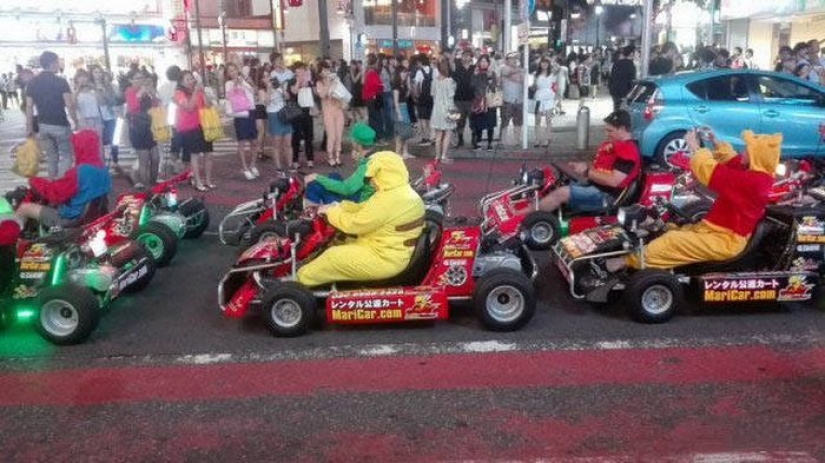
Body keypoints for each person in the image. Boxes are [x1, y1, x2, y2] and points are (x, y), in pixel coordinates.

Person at [606, 129, 781, 272]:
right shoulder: (751, 171)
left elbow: (711, 173)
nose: (743, 152)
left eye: (747, 150)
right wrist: (714, 140)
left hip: (726, 240)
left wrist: (695, 147)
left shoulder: (756, 182)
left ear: (757, 156)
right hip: (713, 230)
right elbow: (731, 159)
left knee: (673, 241)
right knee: (666, 228)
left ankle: (627, 261)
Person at [296, 151, 425, 287]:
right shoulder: (400, 192)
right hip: (387, 249)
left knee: (332, 257)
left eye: (373, 177)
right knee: (341, 240)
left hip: (384, 257)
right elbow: (364, 208)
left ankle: (297, 282)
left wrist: (330, 211)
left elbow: (353, 224)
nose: (371, 182)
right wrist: (339, 206)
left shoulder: (388, 200)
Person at [536, 110, 640, 213]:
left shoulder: (627, 151)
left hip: (605, 196)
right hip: (595, 188)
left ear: (622, 129)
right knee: (555, 184)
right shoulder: (617, 146)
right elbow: (602, 169)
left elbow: (614, 181)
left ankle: (528, 216)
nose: (606, 134)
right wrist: (585, 167)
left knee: (561, 193)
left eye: (610, 131)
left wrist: (587, 172)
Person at [13, 130, 111, 230]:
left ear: (80, 147)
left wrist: (35, 181)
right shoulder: (103, 169)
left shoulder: (78, 172)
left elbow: (55, 194)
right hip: (92, 216)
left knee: (24, 208)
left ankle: (12, 236)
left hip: (71, 219)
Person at [26, 51, 78, 179]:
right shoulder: (61, 82)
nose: (59, 64)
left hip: (43, 125)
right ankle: (59, 182)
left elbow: (29, 106)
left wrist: (29, 127)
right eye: (58, 62)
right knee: (66, 156)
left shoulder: (32, 83)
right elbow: (69, 104)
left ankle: (51, 184)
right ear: (52, 63)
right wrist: (76, 120)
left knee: (51, 157)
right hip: (60, 123)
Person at [303, 123, 377, 206]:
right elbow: (359, 181)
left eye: (352, 139)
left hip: (359, 203)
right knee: (334, 175)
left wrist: (316, 177)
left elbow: (347, 189)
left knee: (315, 185)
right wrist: (358, 160)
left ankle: (311, 211)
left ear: (357, 143)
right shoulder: (374, 156)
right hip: (361, 194)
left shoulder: (366, 165)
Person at [174, 70, 214, 191]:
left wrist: (203, 92)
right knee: (194, 155)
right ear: (181, 82)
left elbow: (208, 105)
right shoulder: (179, 93)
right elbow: (190, 107)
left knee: (209, 154)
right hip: (190, 127)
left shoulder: (197, 91)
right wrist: (196, 92)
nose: (191, 81)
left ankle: (208, 180)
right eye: (187, 79)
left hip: (204, 125)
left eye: (191, 78)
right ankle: (198, 182)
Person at [315, 61, 346, 167]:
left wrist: (336, 82)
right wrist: (329, 83)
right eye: (324, 70)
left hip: (338, 110)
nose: (327, 71)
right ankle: (330, 157)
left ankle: (338, 157)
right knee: (331, 135)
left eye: (328, 69)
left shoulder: (335, 80)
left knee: (339, 135)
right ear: (320, 72)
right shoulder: (319, 83)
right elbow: (322, 95)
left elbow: (342, 94)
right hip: (328, 112)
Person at [89, 65, 119, 170]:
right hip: (95, 116)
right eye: (95, 72)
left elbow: (113, 101)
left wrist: (103, 91)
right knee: (98, 140)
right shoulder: (89, 86)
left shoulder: (107, 86)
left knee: (113, 138)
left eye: (99, 72)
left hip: (109, 114)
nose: (98, 74)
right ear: (91, 74)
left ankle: (115, 160)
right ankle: (99, 161)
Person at [288, 62, 315, 169]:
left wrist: (309, 83)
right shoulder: (292, 81)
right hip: (296, 112)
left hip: (307, 111)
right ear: (295, 71)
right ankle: (295, 160)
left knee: (309, 136)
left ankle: (310, 159)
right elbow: (294, 92)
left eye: (303, 69)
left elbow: (313, 95)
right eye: (299, 69)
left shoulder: (308, 81)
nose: (302, 71)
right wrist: (299, 81)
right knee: (296, 137)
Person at [430, 58, 457, 164]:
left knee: (438, 134)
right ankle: (444, 156)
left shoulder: (434, 81)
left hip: (437, 109)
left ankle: (437, 156)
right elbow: (451, 95)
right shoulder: (449, 81)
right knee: (448, 133)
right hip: (448, 108)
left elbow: (433, 95)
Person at [73, 69, 104, 162]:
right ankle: (89, 164)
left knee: (99, 144)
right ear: (76, 79)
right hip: (84, 121)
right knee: (86, 145)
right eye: (80, 77)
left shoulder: (93, 91)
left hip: (96, 119)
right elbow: (73, 106)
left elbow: (102, 102)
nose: (83, 79)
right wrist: (77, 90)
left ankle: (100, 165)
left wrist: (95, 89)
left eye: (84, 76)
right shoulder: (75, 93)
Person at [469, 55, 498, 152]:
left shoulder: (492, 73)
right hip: (478, 101)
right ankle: (478, 143)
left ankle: (490, 143)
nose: (483, 63)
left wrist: (489, 77)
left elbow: (494, 88)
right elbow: (472, 86)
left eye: (485, 61)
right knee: (478, 123)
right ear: (479, 63)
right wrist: (475, 75)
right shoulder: (476, 73)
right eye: (481, 61)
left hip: (490, 101)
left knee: (490, 123)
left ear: (488, 63)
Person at [264, 76, 293, 171]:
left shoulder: (279, 88)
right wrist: (269, 89)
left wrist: (282, 88)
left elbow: (287, 97)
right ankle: (278, 166)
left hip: (284, 114)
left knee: (288, 142)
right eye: (265, 77)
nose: (268, 80)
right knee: (276, 143)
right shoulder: (263, 90)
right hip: (274, 115)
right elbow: (266, 102)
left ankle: (290, 164)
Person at [499, 52, 523, 147]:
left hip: (519, 99)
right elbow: (507, 73)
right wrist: (519, 71)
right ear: (507, 60)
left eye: (515, 58)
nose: (514, 60)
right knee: (505, 121)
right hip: (507, 99)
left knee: (518, 121)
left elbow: (521, 79)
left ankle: (516, 140)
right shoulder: (503, 67)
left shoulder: (520, 70)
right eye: (511, 58)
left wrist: (518, 73)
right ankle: (502, 140)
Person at [532, 57, 557, 149]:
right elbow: (533, 86)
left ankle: (547, 138)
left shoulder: (552, 73)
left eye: (546, 62)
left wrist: (551, 59)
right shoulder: (536, 74)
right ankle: (537, 139)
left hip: (549, 97)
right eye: (542, 62)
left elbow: (558, 68)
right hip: (539, 97)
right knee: (537, 119)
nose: (544, 64)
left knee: (548, 119)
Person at [413, 55, 435, 147]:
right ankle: (432, 137)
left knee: (422, 119)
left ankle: (425, 138)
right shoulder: (433, 70)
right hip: (431, 98)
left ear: (420, 62)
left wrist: (416, 96)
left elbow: (416, 85)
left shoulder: (419, 72)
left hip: (422, 98)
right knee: (430, 118)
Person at [608, 46, 636, 112]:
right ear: (631, 54)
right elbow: (632, 80)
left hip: (614, 90)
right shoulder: (631, 65)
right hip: (625, 92)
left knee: (616, 109)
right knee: (623, 111)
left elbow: (611, 77)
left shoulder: (616, 63)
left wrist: (610, 88)